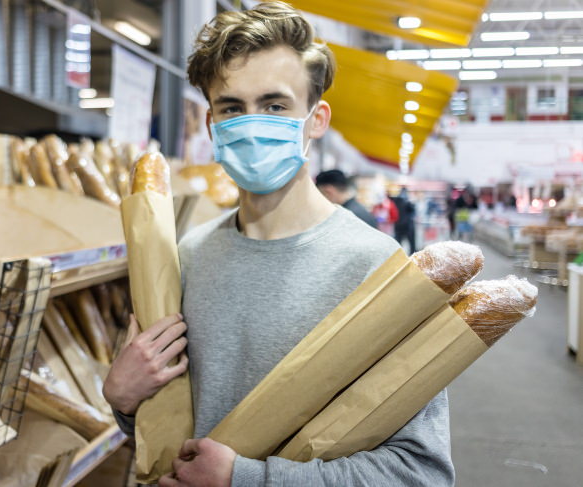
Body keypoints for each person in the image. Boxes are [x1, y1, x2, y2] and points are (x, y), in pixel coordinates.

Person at [103, 3, 454, 486]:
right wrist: (123, 400)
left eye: (274, 106)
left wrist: (243, 480)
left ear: (316, 118)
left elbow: (420, 472)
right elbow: (167, 429)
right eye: (231, 108)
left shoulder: (378, 268)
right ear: (211, 126)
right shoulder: (187, 257)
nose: (251, 125)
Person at [391, 187, 417, 254]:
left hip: (398, 225)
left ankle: (398, 257)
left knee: (398, 245)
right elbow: (413, 212)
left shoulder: (395, 200)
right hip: (407, 225)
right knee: (411, 244)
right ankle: (412, 256)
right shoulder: (407, 201)